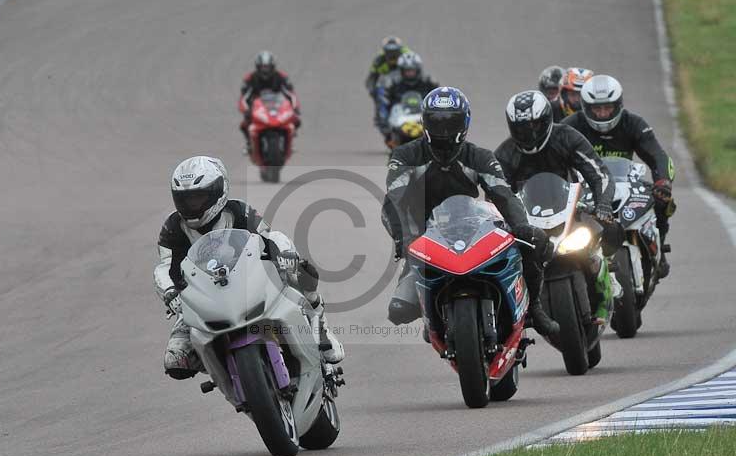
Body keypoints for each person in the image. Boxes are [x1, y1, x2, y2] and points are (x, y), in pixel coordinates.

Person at [381, 86, 560, 336]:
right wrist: (406, 240)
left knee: (532, 240)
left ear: (464, 123)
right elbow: (394, 200)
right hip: (423, 234)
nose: (444, 131)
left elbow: (504, 195)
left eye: (451, 123)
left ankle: (534, 309)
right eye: (437, 123)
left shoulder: (480, 156)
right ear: (425, 122)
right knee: (399, 310)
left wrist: (522, 227)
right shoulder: (405, 155)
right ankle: (431, 316)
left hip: (473, 224)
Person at [153, 156, 344, 380]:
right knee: (175, 361)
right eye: (185, 199)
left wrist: (283, 255)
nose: (190, 205)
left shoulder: (239, 212)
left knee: (302, 272)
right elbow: (165, 267)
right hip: (200, 297)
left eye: (198, 197)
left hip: (249, 280)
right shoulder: (173, 227)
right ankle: (223, 370)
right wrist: (170, 292)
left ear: (219, 192)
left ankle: (319, 325)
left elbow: (269, 237)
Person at [495, 90, 619, 323]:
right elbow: (496, 194)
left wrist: (603, 204)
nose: (529, 133)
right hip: (529, 220)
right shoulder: (505, 154)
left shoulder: (567, 137)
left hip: (572, 209)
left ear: (546, 120)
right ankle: (524, 311)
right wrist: (501, 221)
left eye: (534, 125)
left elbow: (599, 173)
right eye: (521, 128)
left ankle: (605, 286)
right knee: (508, 257)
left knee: (606, 230)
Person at [563, 74, 675, 277]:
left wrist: (663, 181)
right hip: (586, 187)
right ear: (586, 107)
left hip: (626, 183)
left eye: (608, 108)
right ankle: (570, 264)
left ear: (618, 105)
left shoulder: (633, 123)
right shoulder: (570, 126)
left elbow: (658, 155)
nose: (602, 114)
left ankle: (659, 248)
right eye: (597, 109)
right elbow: (554, 157)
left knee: (663, 200)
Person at [239, 51, 300, 150]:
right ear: (258, 67)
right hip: (257, 107)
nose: (265, 71)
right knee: (244, 125)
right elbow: (244, 97)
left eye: (267, 67)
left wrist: (295, 107)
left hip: (278, 105)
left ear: (272, 67)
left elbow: (290, 94)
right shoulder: (250, 78)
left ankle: (289, 141)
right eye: (263, 67)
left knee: (296, 120)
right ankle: (249, 144)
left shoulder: (281, 77)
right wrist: (246, 110)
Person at [378, 52, 439, 140]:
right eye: (407, 71)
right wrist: (384, 121)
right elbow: (385, 104)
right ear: (401, 71)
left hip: (422, 116)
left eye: (412, 70)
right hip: (400, 117)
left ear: (418, 70)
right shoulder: (393, 85)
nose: (410, 73)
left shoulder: (429, 83)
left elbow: (438, 100)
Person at [365, 36, 411, 132]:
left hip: (405, 84)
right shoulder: (379, 61)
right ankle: (382, 121)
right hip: (388, 86)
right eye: (389, 53)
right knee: (380, 97)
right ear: (385, 51)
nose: (392, 56)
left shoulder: (407, 55)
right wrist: (373, 90)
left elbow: (416, 70)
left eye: (395, 52)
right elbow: (371, 79)